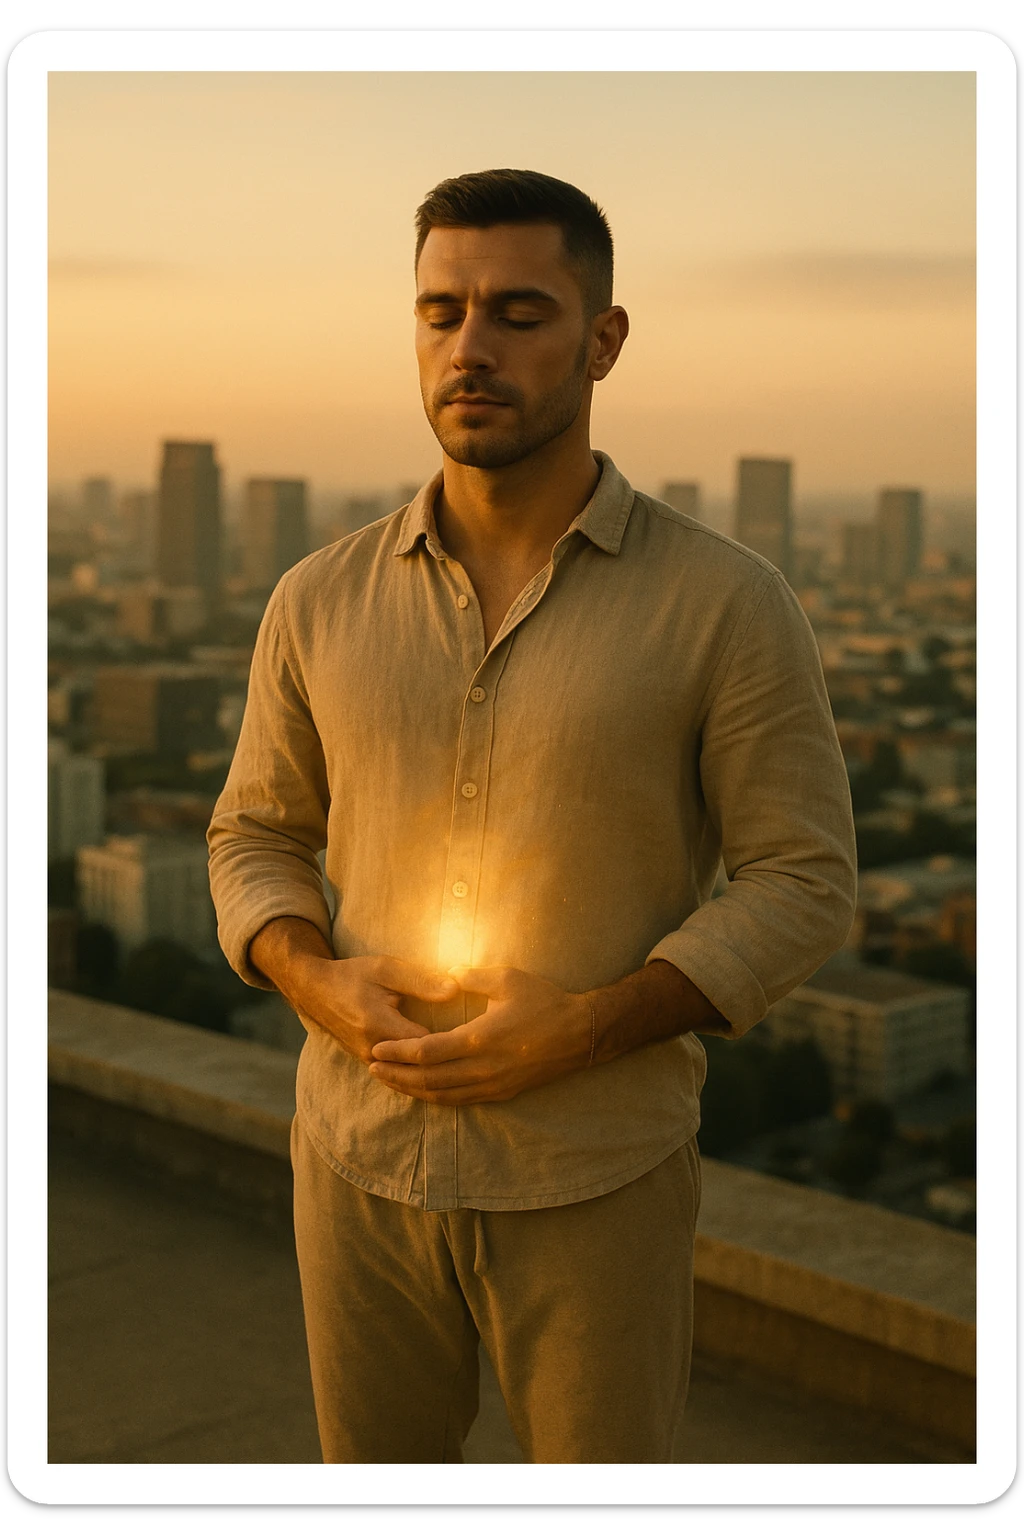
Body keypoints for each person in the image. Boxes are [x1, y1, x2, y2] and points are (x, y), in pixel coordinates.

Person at [207, 168, 857, 1464]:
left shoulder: (727, 601)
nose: (470, 348)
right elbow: (253, 834)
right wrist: (311, 977)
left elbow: (805, 879)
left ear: (604, 339)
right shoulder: (318, 597)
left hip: (594, 1176)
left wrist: (588, 1029)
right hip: (354, 1163)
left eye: (517, 311)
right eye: (440, 311)